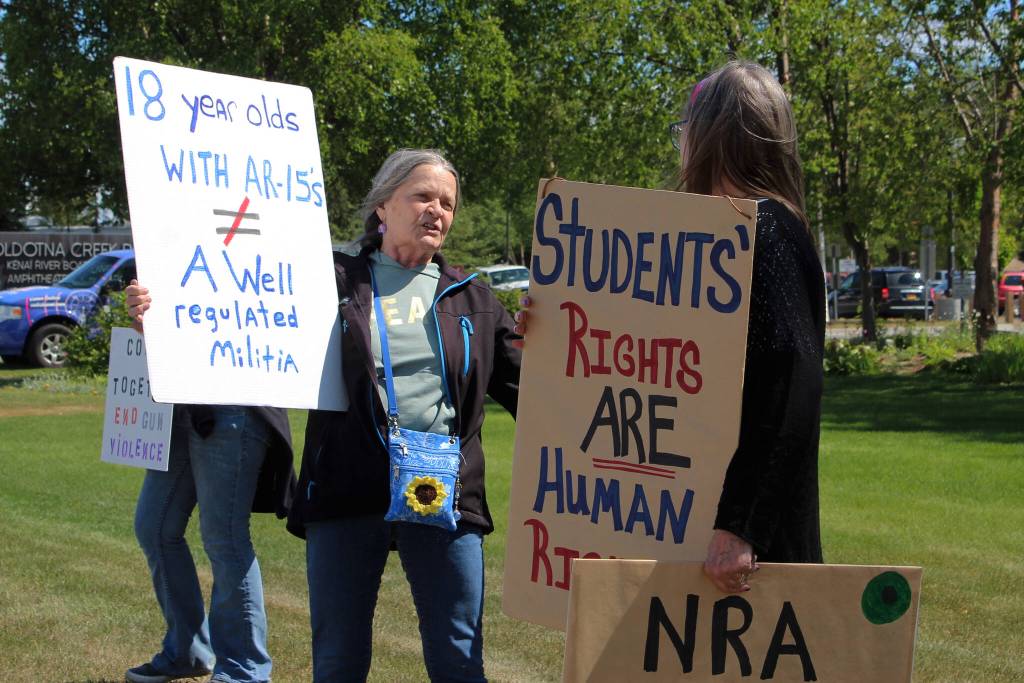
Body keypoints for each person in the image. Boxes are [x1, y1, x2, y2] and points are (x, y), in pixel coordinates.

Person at [514, 60, 825, 594]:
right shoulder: (717, 237)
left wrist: (740, 526)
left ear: (712, 139)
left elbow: (789, 382)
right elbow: (650, 348)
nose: (681, 146)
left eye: (686, 131)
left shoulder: (766, 231)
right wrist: (552, 326)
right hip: (690, 532)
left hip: (740, 555)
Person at [285, 148, 522, 682]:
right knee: (338, 661)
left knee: (459, 659)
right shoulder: (329, 282)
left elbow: (536, 390)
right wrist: (160, 323)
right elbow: (244, 329)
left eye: (447, 203)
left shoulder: (476, 300)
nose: (435, 211)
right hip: (348, 487)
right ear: (383, 205)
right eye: (422, 196)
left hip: (446, 496)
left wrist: (557, 332)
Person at [123, 283, 295, 683]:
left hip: (235, 399)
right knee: (155, 526)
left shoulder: (255, 232)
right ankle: (188, 651)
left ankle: (245, 670)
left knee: (224, 537)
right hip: (181, 396)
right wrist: (146, 315)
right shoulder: (172, 238)